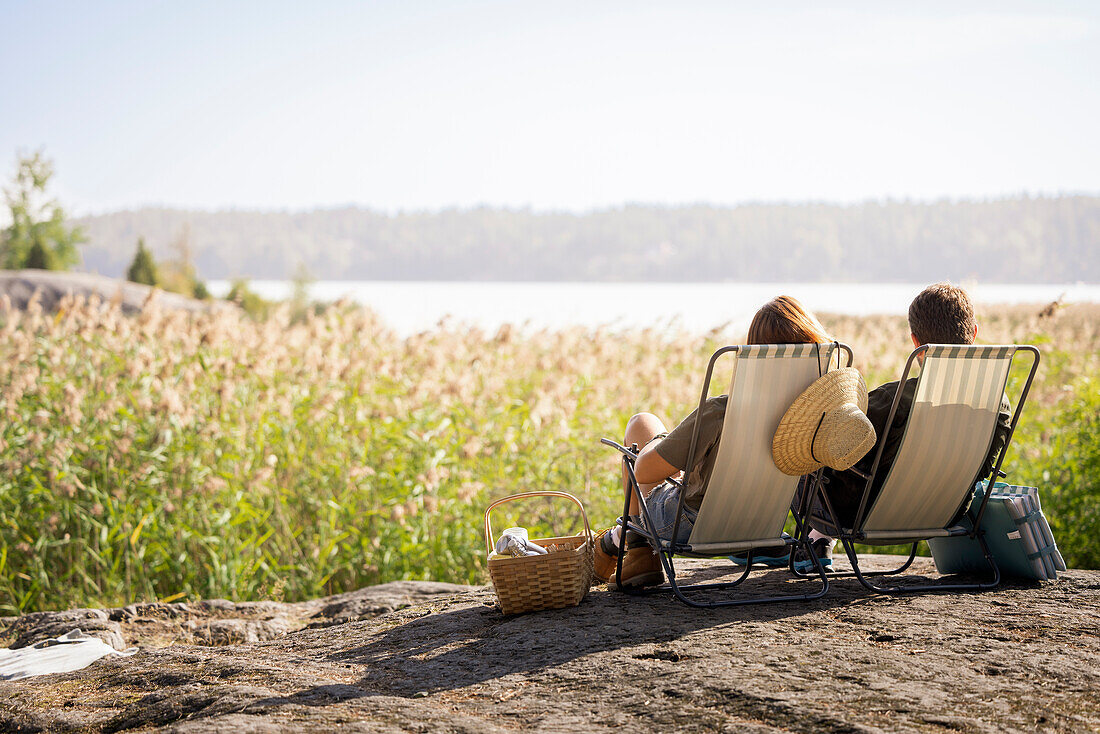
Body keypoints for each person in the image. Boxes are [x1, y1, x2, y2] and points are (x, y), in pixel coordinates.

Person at [593, 295, 832, 589]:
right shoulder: (817, 418)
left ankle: (639, 551)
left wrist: (662, 443)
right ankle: (628, 545)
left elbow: (644, 473)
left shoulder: (723, 413)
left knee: (642, 423)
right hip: (762, 526)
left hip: (692, 525)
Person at [797, 282, 1012, 565]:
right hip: (948, 512)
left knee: (805, 454)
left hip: (867, 514)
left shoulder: (893, 400)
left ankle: (812, 540)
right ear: (974, 332)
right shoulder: (998, 404)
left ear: (915, 342)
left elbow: (830, 443)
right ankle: (817, 539)